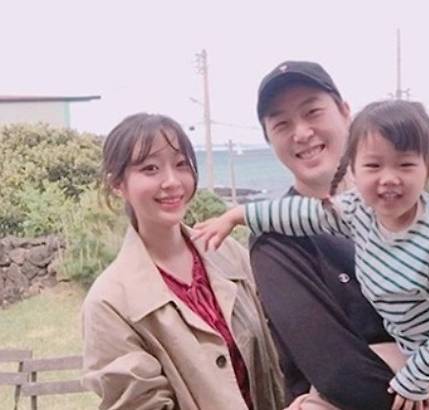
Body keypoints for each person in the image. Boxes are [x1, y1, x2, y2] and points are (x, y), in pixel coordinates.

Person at [196, 61, 429, 410]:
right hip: (399, 377)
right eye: (281, 123)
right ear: (269, 139)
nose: (301, 133)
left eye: (313, 112)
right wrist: (239, 215)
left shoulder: (422, 221)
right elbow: (341, 375)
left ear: (345, 113)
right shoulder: (280, 244)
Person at [81, 113, 284, 410]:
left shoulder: (226, 252)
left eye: (181, 164)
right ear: (118, 184)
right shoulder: (109, 302)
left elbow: (280, 343)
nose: (172, 181)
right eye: (150, 168)